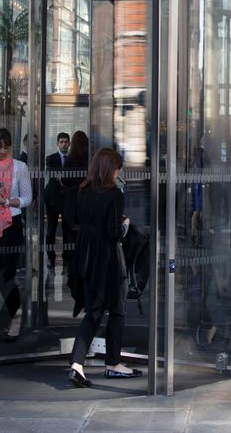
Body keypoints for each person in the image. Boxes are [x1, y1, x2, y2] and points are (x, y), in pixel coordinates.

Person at [67, 148, 141, 387]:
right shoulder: (115, 196)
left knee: (93, 312)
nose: (119, 173)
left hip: (86, 258)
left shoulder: (83, 191)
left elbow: (77, 221)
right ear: (112, 169)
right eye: (118, 169)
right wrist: (125, 225)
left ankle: (77, 364)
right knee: (117, 309)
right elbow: (112, 233)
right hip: (108, 259)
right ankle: (113, 363)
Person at [0, 128, 32, 342]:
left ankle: (13, 317)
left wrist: (6, 202)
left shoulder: (19, 167)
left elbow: (28, 198)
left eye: (6, 147)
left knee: (6, 276)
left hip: (11, 223)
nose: (2, 151)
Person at [61, 130, 90, 269]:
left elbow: (65, 180)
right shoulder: (90, 159)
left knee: (69, 230)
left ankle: (69, 257)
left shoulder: (70, 159)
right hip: (85, 198)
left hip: (71, 199)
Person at [44, 132, 71, 268]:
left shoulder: (72, 159)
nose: (64, 144)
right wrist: (61, 178)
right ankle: (51, 258)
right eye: (61, 142)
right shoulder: (51, 158)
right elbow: (51, 172)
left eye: (66, 142)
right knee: (51, 229)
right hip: (53, 198)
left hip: (67, 199)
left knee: (67, 229)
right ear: (57, 143)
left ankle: (66, 257)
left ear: (69, 143)